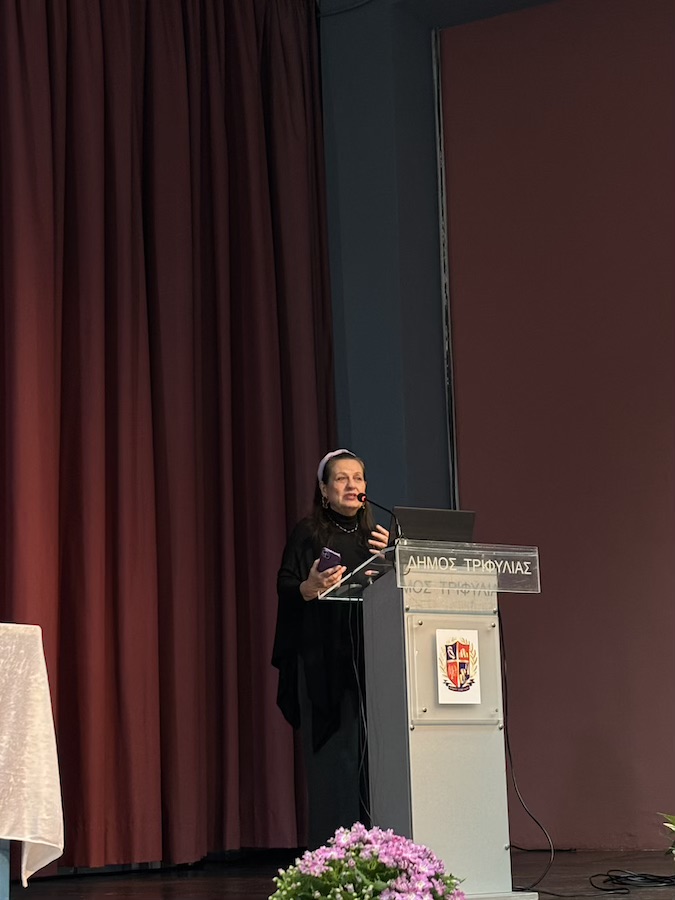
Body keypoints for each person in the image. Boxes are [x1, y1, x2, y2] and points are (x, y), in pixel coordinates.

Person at [272, 449, 390, 849]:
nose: (352, 485)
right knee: (336, 765)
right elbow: (286, 585)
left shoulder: (379, 538)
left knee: (375, 762)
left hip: (373, 663)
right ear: (324, 490)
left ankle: (380, 852)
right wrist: (308, 588)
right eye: (341, 478)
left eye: (358, 478)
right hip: (324, 666)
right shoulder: (308, 534)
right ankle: (334, 855)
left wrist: (395, 559)